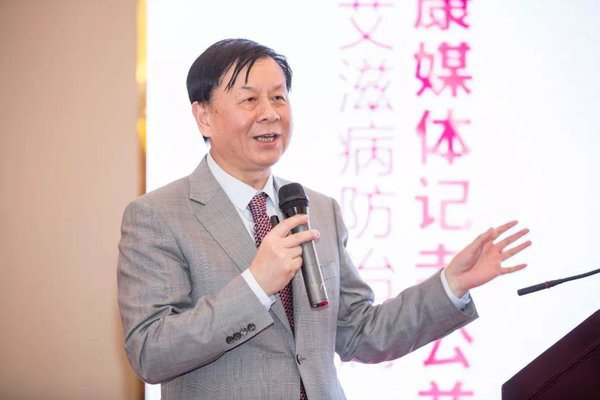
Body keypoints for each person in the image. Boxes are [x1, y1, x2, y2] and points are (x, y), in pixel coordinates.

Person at [117, 38, 531, 400]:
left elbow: (359, 332)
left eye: (279, 97)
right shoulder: (158, 216)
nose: (270, 113)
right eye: (249, 100)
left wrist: (451, 285)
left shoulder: (317, 208)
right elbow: (151, 352)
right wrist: (256, 285)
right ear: (204, 116)